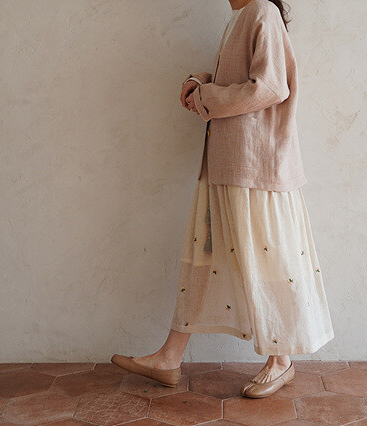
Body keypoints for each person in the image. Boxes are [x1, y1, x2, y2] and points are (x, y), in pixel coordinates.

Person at [112, 0, 334, 398]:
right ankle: (169, 357)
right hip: (228, 164)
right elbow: (240, 79)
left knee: (269, 260)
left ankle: (281, 360)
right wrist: (199, 82)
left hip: (255, 167)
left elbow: (270, 87)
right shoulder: (242, 17)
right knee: (205, 258)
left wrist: (206, 97)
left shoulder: (261, 11)